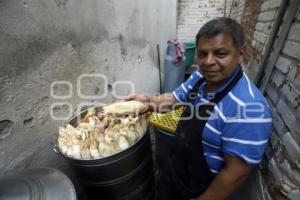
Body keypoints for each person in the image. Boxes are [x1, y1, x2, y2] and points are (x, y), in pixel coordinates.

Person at [124, 17, 272, 200]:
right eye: (202, 54)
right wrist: (147, 101)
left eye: (220, 53)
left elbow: (235, 175)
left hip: (203, 189)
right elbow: (173, 99)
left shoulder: (248, 108)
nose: (208, 62)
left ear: (241, 54)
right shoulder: (201, 76)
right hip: (175, 171)